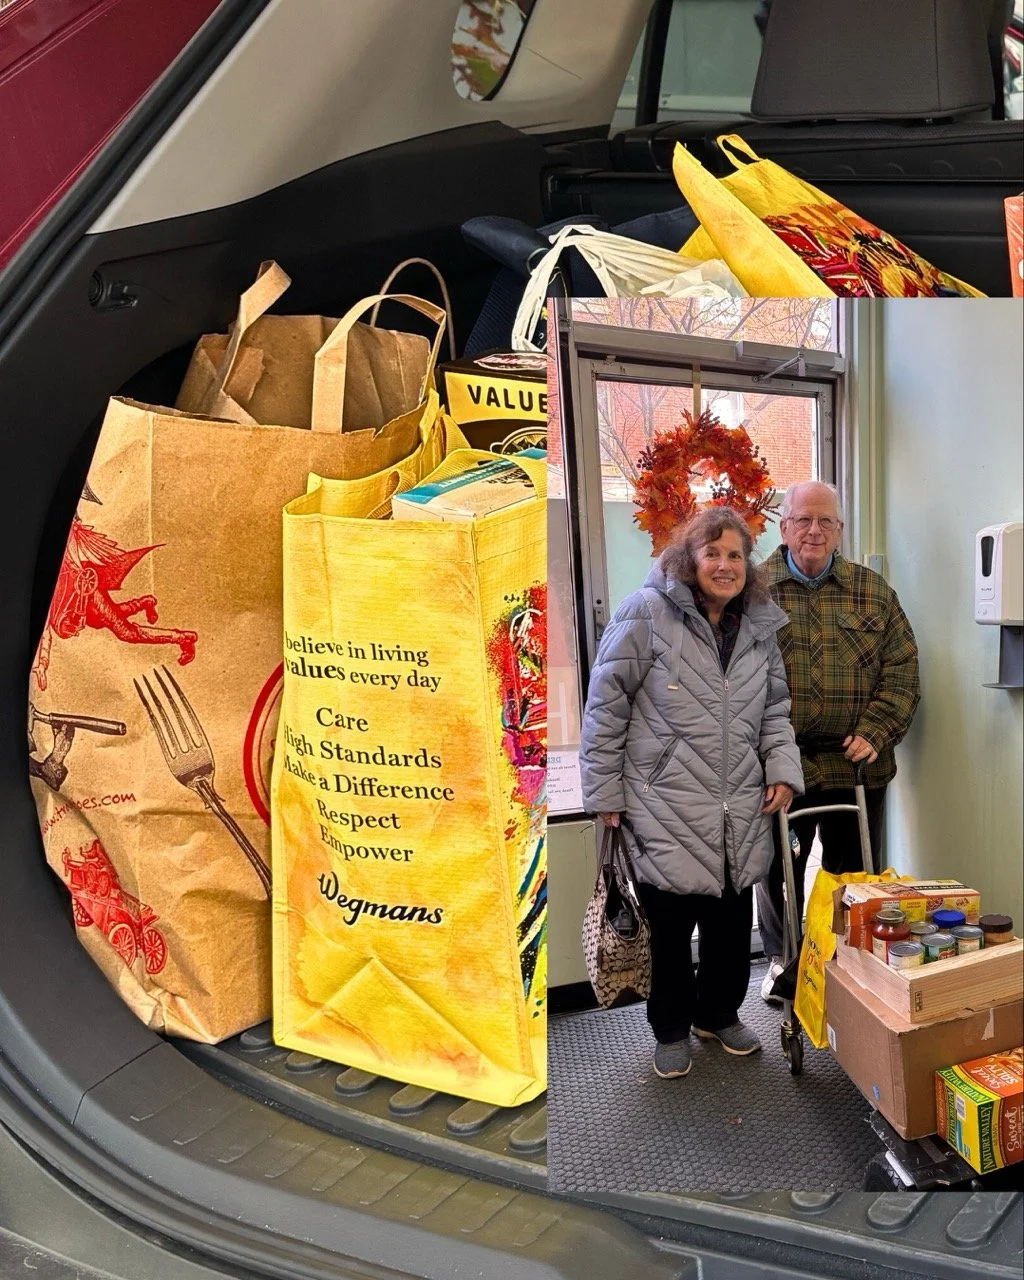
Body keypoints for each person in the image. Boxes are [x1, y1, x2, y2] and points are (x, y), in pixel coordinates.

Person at [579, 508, 804, 1079]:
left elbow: (775, 708)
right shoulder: (644, 613)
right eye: (713, 553)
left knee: (730, 929)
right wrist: (606, 794)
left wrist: (781, 767)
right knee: (672, 933)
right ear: (690, 558)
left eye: (735, 556)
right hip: (665, 806)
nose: (725, 566)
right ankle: (672, 1030)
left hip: (740, 807)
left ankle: (719, 1015)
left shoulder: (757, 624)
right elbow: (606, 710)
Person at [756, 481, 921, 1004]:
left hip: (856, 768)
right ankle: (785, 962)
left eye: (826, 521)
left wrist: (875, 732)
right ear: (784, 527)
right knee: (776, 872)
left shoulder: (872, 592)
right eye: (804, 519)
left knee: (851, 876)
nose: (814, 530)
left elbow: (903, 671)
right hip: (782, 766)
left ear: (839, 531)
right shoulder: (754, 592)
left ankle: (839, 965)